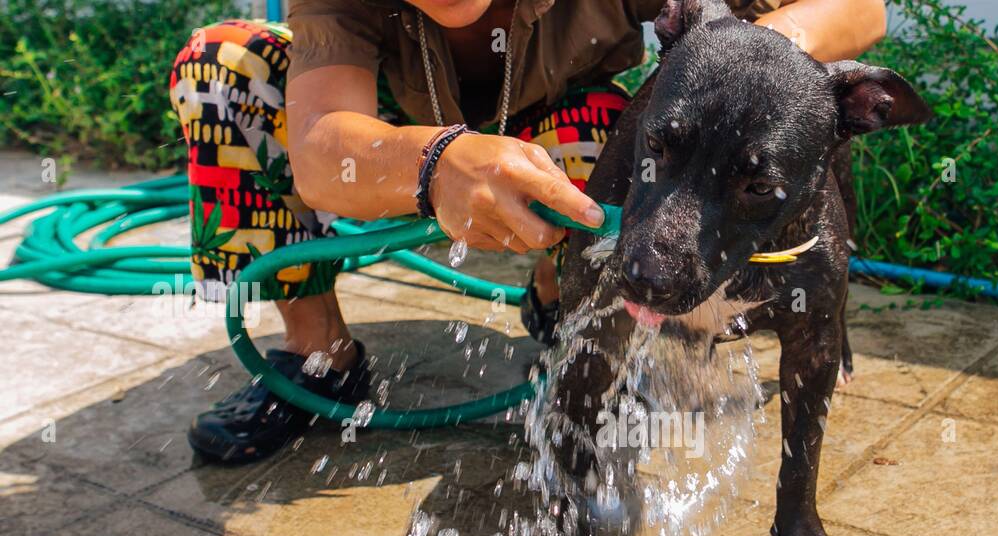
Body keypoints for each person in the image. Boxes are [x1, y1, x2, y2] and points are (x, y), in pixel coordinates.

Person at [169, 0, 886, 463]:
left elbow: (858, 8)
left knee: (647, 122)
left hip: (573, 139)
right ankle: (318, 356)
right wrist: (431, 162)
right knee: (224, 67)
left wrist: (745, 61)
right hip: (397, 146)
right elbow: (323, 152)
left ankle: (567, 313)